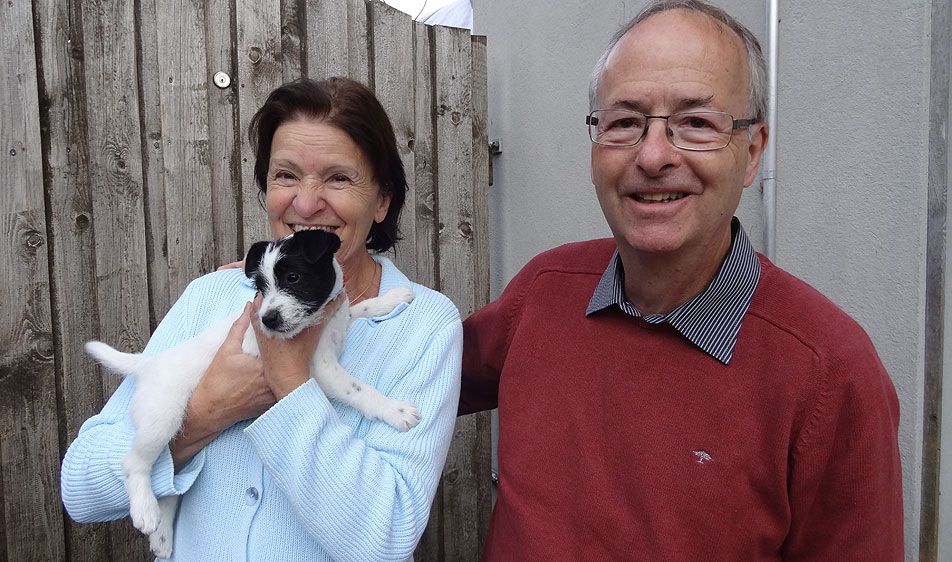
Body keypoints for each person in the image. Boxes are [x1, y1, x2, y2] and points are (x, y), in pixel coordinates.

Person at [458, 1, 904, 560]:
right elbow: (407, 377)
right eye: (624, 122)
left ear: (752, 151)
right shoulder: (545, 292)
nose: (653, 156)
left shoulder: (830, 373)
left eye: (696, 123)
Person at [61, 77, 463, 561]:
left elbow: (386, 540)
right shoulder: (210, 296)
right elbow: (80, 490)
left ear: (382, 199)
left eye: (338, 178)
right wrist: (204, 413)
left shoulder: (424, 326)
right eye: (286, 175)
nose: (306, 203)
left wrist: (289, 382)